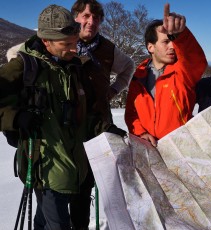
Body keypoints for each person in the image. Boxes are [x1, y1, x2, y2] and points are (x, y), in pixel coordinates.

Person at [0, 5, 125, 229]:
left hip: (78, 164)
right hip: (46, 167)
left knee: (50, 222)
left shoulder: (76, 68)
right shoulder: (23, 67)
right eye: (66, 44)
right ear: (46, 42)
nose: (74, 49)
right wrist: (15, 117)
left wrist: (103, 128)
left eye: (75, 42)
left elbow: (83, 116)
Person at [125, 3, 207, 147]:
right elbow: (132, 112)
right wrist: (141, 133)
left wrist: (181, 35)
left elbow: (196, 60)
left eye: (173, 40)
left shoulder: (182, 71)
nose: (172, 46)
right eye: (166, 41)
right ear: (151, 47)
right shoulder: (138, 77)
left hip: (180, 147)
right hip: (149, 148)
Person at [72, 0, 135, 114]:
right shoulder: (62, 43)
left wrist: (114, 90)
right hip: (66, 120)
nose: (91, 22)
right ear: (75, 18)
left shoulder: (108, 49)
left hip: (98, 119)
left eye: (96, 18)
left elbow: (129, 66)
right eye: (86, 16)